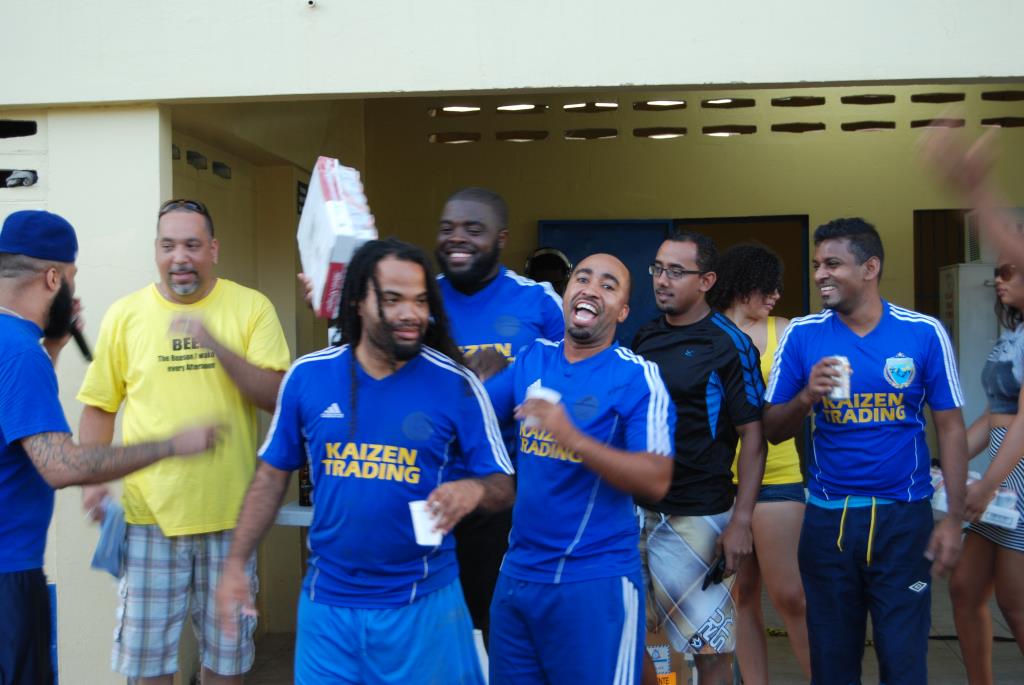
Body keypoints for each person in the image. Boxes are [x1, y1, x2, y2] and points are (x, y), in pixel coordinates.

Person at [216, 238, 515, 685]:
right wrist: (235, 564)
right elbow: (271, 477)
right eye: (393, 299)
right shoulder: (308, 376)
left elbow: (503, 484)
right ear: (357, 301)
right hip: (327, 612)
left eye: (420, 300)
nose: (411, 313)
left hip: (423, 607)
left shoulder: (455, 383)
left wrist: (473, 488)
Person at [76, 199, 291, 685]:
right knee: (148, 664)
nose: (180, 257)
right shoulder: (126, 315)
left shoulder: (251, 307)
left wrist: (216, 346)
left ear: (213, 249)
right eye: (168, 245)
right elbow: (100, 407)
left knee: (227, 661)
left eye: (192, 245)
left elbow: (277, 396)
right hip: (149, 518)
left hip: (232, 519)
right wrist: (92, 481)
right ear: (156, 251)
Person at [0, 209, 217, 685]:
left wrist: (55, 348)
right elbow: (61, 465)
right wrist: (172, 444)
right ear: (53, 278)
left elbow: (13, 415)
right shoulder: (18, 353)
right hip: (8, 576)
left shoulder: (17, 347)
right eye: (72, 279)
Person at [763, 217, 968, 685]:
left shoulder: (923, 332)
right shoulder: (803, 334)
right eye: (817, 264)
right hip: (828, 521)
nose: (820, 275)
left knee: (903, 661)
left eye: (833, 264)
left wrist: (953, 519)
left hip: (903, 520)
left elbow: (951, 428)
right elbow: (772, 429)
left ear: (870, 267)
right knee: (832, 666)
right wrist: (806, 396)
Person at [485, 252, 675, 685]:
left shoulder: (638, 377)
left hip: (595, 582)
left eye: (608, 285)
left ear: (622, 312)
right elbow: (472, 413)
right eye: (582, 279)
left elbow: (656, 478)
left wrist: (570, 436)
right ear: (567, 292)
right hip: (518, 578)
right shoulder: (533, 358)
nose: (591, 289)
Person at [631, 232, 766, 685]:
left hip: (699, 517)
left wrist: (741, 521)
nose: (661, 280)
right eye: (657, 269)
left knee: (710, 652)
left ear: (706, 280)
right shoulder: (645, 336)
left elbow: (754, 436)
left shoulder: (729, 344)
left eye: (676, 271)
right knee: (638, 639)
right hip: (638, 511)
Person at [435, 187, 564, 641]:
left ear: (501, 238)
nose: (457, 238)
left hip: (511, 500)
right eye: (447, 228)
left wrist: (515, 376)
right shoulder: (420, 298)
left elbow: (577, 380)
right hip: (429, 492)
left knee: (506, 632)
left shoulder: (539, 301)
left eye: (473, 229)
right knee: (434, 633)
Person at [707, 244, 811, 683]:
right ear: (742, 285)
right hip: (718, 484)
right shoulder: (707, 330)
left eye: (777, 288)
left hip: (778, 477)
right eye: (767, 287)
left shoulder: (784, 331)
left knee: (791, 595)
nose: (775, 295)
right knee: (741, 597)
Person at [948, 253, 1024, 683]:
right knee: (965, 588)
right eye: (998, 272)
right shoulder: (1014, 334)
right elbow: (994, 416)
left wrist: (990, 483)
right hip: (1002, 479)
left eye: (1010, 273)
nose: (999, 280)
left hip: (1015, 480)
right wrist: (948, 461)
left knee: (1015, 604)